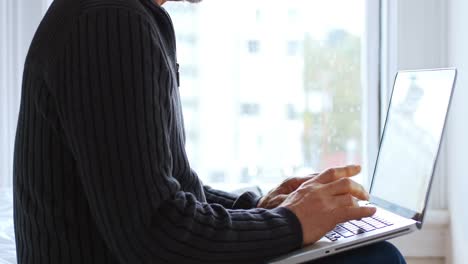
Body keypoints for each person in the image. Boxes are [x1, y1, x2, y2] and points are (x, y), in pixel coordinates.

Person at [13, 0, 405, 263]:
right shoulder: (110, 23)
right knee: (375, 260)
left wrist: (258, 209)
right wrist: (290, 223)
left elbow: (157, 192)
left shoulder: (114, 15)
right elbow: (155, 233)